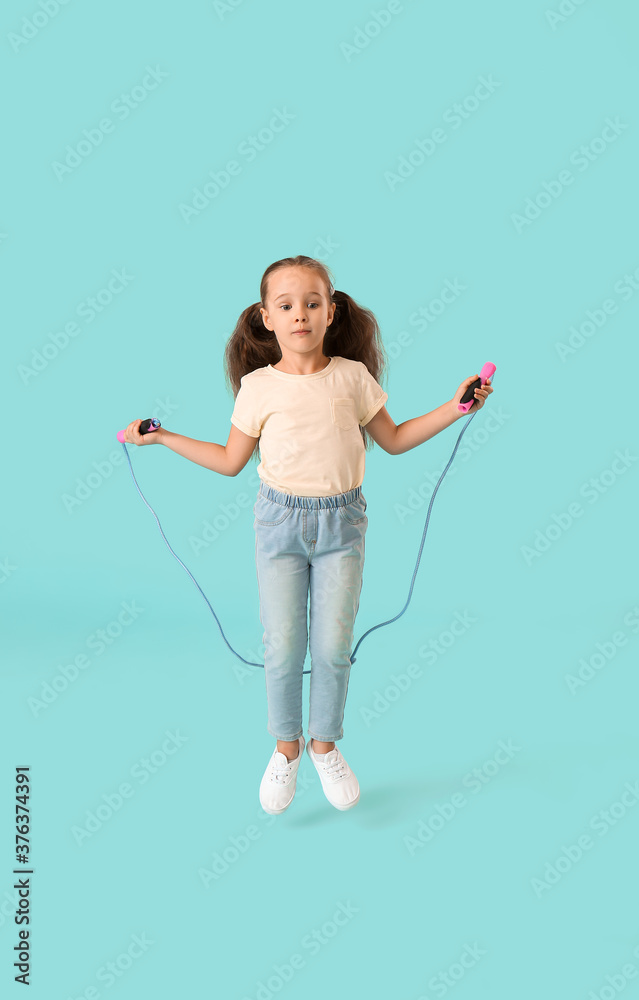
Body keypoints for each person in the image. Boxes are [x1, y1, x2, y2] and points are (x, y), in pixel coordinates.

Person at [122, 254, 493, 816]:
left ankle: (325, 745)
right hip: (279, 525)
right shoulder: (257, 387)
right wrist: (163, 436)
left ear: (331, 311)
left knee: (332, 648)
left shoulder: (352, 377)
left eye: (312, 303)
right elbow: (229, 461)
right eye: (287, 305)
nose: (300, 314)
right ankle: (286, 748)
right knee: (283, 647)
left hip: (342, 523)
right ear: (266, 316)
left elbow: (393, 440)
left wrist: (456, 406)